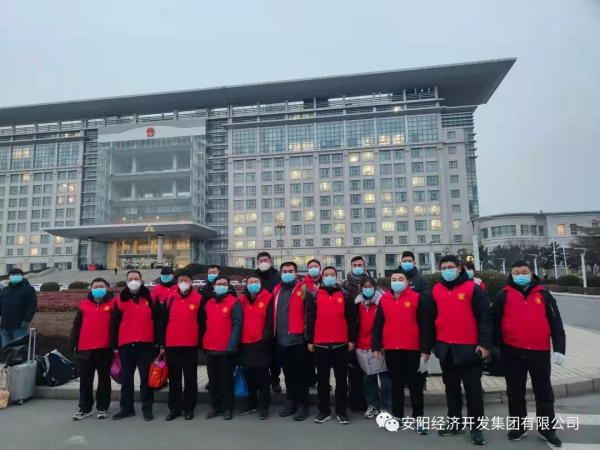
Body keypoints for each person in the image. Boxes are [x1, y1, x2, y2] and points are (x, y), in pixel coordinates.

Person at [491, 261, 566, 447]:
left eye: (524, 272)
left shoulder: (544, 295)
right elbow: (494, 323)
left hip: (539, 352)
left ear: (531, 274)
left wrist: (559, 348)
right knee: (515, 392)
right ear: (511, 275)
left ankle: (547, 429)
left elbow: (556, 322)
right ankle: (518, 427)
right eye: (516, 272)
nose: (520, 275)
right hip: (512, 351)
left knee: (544, 392)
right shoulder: (503, 295)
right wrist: (499, 347)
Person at [431, 255, 491, 446]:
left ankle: (476, 428)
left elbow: (485, 317)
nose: (447, 270)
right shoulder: (436, 289)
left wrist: (484, 344)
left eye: (450, 267)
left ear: (459, 268)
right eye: (443, 268)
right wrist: (433, 344)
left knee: (473, 390)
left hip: (469, 349)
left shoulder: (472, 288)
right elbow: (431, 318)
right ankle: (455, 422)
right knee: (451, 389)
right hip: (446, 349)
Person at [372, 270, 434, 434]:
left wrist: (425, 349)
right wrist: (376, 346)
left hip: (413, 349)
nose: (397, 282)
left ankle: (419, 418)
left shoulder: (416, 298)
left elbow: (425, 325)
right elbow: (378, 324)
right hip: (392, 349)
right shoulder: (384, 299)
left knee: (415, 385)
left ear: (407, 282)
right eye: (394, 279)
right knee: (396, 385)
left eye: (401, 279)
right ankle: (397, 415)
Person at [306, 266, 357, 425]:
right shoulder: (314, 296)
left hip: (341, 344)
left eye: (332, 274)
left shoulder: (345, 295)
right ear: (322, 276)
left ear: (336, 276)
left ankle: (342, 411)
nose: (329, 277)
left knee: (342, 381)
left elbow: (352, 319)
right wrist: (310, 340)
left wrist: (352, 340)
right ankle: (324, 411)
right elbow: (310, 319)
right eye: (326, 274)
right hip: (320, 344)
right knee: (322, 381)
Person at [110, 270, 160, 421]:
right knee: (126, 379)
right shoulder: (119, 300)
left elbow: (159, 320)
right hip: (126, 345)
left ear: (141, 281)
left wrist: (159, 342)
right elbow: (114, 324)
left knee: (146, 379)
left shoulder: (151, 297)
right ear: (126, 282)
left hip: (146, 345)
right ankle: (126, 409)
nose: (133, 281)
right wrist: (114, 345)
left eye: (136, 278)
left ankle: (147, 409)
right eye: (130, 278)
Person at [160, 270, 203, 421]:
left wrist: (200, 343)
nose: (183, 283)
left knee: (190, 379)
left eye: (186, 280)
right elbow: (163, 322)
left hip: (190, 345)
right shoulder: (170, 298)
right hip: (172, 344)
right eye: (180, 280)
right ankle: (174, 409)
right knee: (174, 379)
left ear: (191, 282)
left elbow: (202, 322)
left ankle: (189, 408)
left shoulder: (199, 299)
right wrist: (162, 343)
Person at [70, 278, 115, 420]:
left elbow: (116, 325)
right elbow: (77, 325)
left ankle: (102, 407)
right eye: (95, 286)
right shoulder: (84, 304)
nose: (98, 289)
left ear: (107, 288)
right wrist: (74, 343)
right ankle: (85, 408)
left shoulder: (113, 304)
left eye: (101, 286)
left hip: (105, 348)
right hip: (85, 348)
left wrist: (115, 344)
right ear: (91, 288)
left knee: (104, 379)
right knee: (85, 380)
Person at [273, 262, 313, 421]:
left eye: (290, 271)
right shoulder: (276, 289)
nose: (287, 273)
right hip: (280, 340)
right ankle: (290, 401)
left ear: (296, 274)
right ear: (280, 273)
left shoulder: (303, 289)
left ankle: (302, 404)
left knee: (300, 375)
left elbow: (310, 315)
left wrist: (309, 338)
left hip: (298, 340)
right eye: (284, 271)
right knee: (288, 374)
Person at [200, 275, 242, 420]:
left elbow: (237, 325)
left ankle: (227, 408)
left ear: (228, 286)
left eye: (224, 284)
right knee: (213, 381)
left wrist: (232, 345)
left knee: (226, 381)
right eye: (218, 284)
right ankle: (215, 407)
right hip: (210, 348)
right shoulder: (209, 303)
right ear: (214, 286)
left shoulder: (234, 302)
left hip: (226, 349)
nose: (221, 286)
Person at [354, 277, 391, 419]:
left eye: (370, 286)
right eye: (365, 286)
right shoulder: (357, 304)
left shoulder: (382, 302)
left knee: (385, 380)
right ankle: (372, 405)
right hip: (362, 346)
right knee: (368, 379)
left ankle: (386, 407)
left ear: (375, 287)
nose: (368, 289)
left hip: (379, 346)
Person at [238, 275, 274, 420]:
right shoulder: (242, 300)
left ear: (261, 284)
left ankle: (264, 406)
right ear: (246, 285)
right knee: (248, 376)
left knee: (263, 377)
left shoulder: (269, 297)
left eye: (256, 282)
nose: (253, 284)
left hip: (261, 343)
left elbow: (270, 321)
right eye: (250, 282)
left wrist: (265, 338)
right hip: (244, 343)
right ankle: (251, 403)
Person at [255, 252, 283, 394]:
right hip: (258, 319)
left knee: (275, 354)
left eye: (265, 260)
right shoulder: (254, 277)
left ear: (270, 261)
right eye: (260, 260)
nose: (263, 263)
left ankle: (275, 380)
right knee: (261, 354)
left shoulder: (278, 276)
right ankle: (261, 382)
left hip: (276, 318)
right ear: (257, 262)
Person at [0, 268, 37, 348]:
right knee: (5, 349)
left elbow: (32, 305)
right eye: (13, 275)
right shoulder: (5, 290)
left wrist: (26, 320)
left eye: (18, 275)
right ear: (9, 277)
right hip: (4, 325)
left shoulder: (28, 289)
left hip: (19, 325)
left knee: (18, 349)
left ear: (22, 276)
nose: (15, 276)